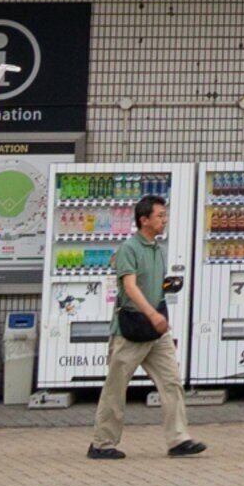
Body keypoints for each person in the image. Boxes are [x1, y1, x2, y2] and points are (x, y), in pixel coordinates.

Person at [88, 194, 202, 460]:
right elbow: (130, 286)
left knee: (171, 382)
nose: (164, 220)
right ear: (144, 220)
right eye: (160, 216)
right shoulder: (129, 249)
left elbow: (154, 286)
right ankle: (102, 443)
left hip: (157, 331)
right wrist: (152, 314)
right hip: (131, 328)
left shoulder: (158, 250)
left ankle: (178, 439)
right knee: (116, 387)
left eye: (165, 215)